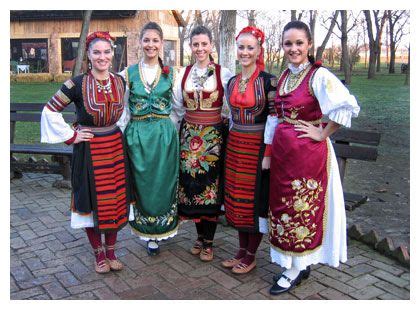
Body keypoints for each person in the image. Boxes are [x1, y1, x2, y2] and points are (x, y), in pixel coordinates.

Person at [266, 21, 360, 295]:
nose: (293, 48)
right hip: (284, 157)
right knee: (284, 207)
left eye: (298, 43)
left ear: (309, 45)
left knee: (301, 209)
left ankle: (297, 268)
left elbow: (347, 106)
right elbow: (277, 117)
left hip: (308, 157)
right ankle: (296, 263)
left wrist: (323, 134)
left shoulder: (319, 76)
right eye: (288, 43)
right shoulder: (285, 75)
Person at [41, 31, 133, 273]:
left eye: (106, 52)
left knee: (114, 199)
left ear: (112, 54)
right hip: (89, 150)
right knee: (90, 200)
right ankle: (98, 254)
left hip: (114, 147)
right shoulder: (76, 84)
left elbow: (122, 114)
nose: (102, 57)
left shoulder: (120, 82)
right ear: (89, 56)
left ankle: (112, 252)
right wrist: (72, 135)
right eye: (96, 52)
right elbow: (50, 110)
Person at [172, 25, 233, 262]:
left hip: (213, 138)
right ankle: (199, 237)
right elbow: (177, 107)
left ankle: (209, 241)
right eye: (195, 44)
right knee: (192, 188)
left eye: (204, 44)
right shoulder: (183, 74)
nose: (200, 48)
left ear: (211, 45)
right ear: (190, 46)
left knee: (211, 187)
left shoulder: (223, 73)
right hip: (188, 138)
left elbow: (232, 104)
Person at [118, 22, 179, 256]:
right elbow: (123, 109)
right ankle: (148, 233)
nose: (150, 45)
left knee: (163, 182)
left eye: (155, 40)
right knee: (142, 183)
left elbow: (178, 108)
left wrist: (174, 131)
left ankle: (162, 228)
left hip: (164, 136)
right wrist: (122, 135)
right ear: (140, 42)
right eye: (146, 40)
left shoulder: (172, 73)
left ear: (161, 43)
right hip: (138, 135)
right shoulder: (128, 73)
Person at [221, 26, 277, 274]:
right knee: (236, 199)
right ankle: (241, 250)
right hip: (235, 146)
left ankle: (251, 254)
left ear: (259, 50)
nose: (245, 52)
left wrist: (268, 154)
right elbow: (232, 117)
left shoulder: (268, 82)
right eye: (241, 47)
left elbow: (275, 121)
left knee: (254, 200)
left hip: (257, 147)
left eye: (250, 48)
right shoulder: (232, 81)